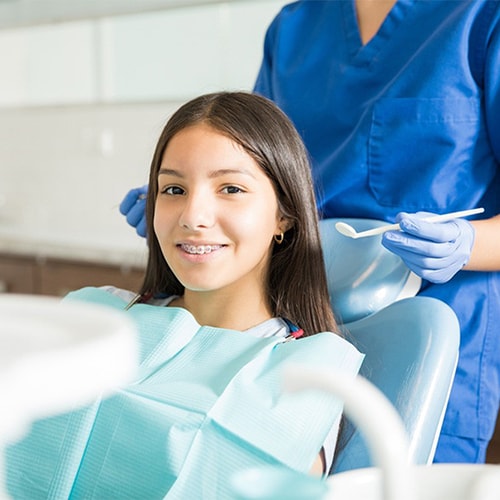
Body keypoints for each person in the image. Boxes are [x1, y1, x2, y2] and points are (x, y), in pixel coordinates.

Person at [119, 1, 500, 465]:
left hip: (437, 324)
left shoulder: (481, 17)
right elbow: (253, 157)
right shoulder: (295, 27)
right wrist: (196, 204)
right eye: (172, 188)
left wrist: (468, 244)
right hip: (282, 311)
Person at [5, 92, 363, 499]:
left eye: (230, 188)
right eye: (173, 190)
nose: (193, 216)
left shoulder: (303, 377)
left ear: (283, 214)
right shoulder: (97, 315)